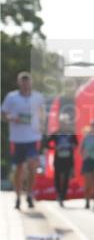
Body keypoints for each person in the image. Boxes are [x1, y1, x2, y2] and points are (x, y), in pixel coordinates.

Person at [2, 72, 46, 210]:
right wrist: (11, 118)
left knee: (32, 167)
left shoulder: (38, 97)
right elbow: (2, 113)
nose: (26, 85)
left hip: (33, 138)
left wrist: (42, 124)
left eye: (28, 82)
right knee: (19, 169)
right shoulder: (12, 97)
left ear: (31, 83)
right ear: (19, 83)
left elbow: (42, 113)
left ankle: (29, 194)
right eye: (23, 82)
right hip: (17, 138)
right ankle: (17, 197)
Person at [45, 116, 78, 207]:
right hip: (58, 158)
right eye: (63, 122)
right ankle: (59, 194)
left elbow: (76, 144)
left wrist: (72, 146)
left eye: (66, 122)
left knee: (67, 177)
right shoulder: (56, 133)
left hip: (68, 158)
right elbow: (46, 143)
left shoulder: (71, 133)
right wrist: (53, 148)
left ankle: (63, 195)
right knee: (58, 177)